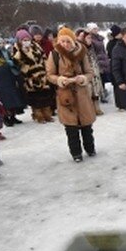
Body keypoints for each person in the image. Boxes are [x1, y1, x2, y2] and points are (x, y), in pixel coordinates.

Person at [47, 27, 98, 160]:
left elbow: (90, 72)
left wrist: (83, 78)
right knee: (71, 128)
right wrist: (60, 80)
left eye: (67, 41)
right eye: (62, 41)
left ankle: (90, 148)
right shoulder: (54, 54)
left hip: (81, 94)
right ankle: (76, 153)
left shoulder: (82, 52)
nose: (64, 44)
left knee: (86, 125)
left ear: (73, 41)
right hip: (65, 95)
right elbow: (50, 74)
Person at [11, 28, 55, 123]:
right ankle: (39, 116)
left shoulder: (35, 45)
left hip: (42, 74)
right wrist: (23, 52)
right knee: (36, 99)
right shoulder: (17, 48)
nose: (26, 41)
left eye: (28, 39)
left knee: (46, 96)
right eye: (24, 40)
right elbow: (16, 63)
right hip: (30, 77)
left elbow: (43, 57)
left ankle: (48, 115)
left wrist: (46, 68)